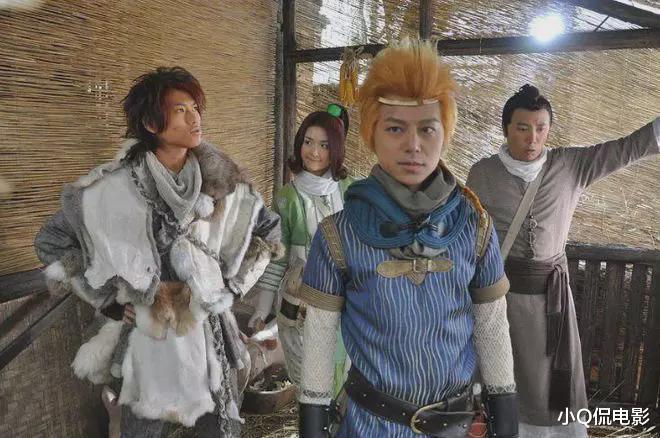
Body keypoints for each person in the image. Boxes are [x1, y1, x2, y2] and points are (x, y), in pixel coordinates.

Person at [34, 66, 282, 437]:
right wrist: (109, 301)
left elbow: (268, 230)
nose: (194, 117)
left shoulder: (221, 183)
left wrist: (231, 288)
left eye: (195, 107)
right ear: (151, 124)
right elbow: (52, 242)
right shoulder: (113, 188)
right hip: (147, 339)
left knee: (218, 428)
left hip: (210, 336)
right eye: (181, 110)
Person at [295, 39, 519, 437]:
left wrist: (505, 410)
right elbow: (320, 334)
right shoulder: (338, 235)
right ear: (372, 133)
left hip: (455, 426)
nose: (413, 145)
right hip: (368, 426)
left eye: (427, 128)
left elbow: (491, 323)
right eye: (395, 128)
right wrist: (312, 419)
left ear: (444, 133)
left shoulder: (474, 227)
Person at [466, 84, 660, 437]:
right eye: (522, 128)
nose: (532, 138)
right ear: (506, 128)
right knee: (501, 377)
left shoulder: (570, 165)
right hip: (500, 302)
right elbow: (468, 234)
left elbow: (625, 149)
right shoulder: (482, 174)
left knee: (551, 387)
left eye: (541, 128)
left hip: (550, 304)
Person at [249, 104, 354, 398]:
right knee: (311, 384)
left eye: (324, 145)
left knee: (344, 379)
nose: (314, 152)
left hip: (347, 302)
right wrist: (261, 309)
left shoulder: (350, 190)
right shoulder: (287, 198)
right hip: (300, 305)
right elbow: (277, 258)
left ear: (336, 149)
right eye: (308, 142)